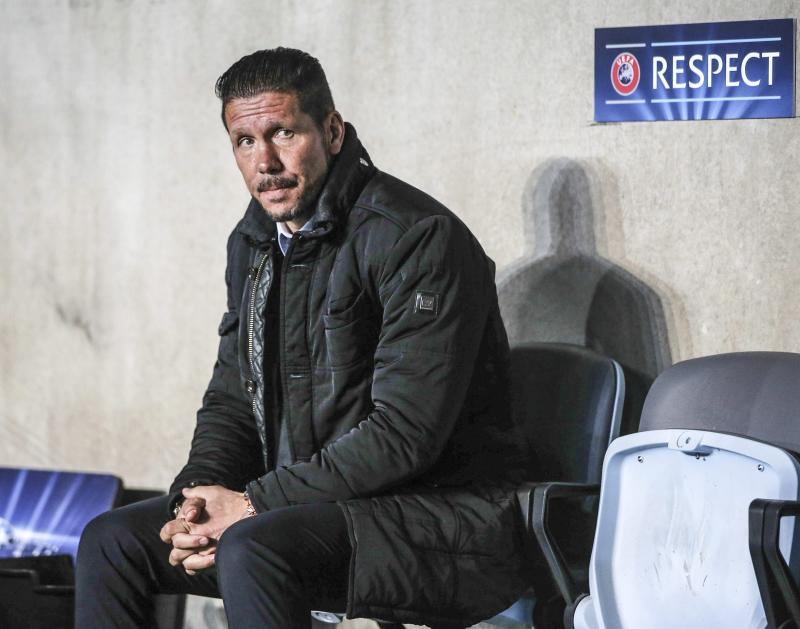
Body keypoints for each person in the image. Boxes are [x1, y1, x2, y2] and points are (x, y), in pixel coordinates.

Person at [76, 47, 532, 629]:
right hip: (308, 509)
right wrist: (198, 499)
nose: (264, 161)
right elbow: (233, 397)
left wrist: (252, 504)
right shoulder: (254, 242)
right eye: (245, 141)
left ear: (332, 132)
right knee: (112, 540)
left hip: (444, 522)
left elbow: (405, 435)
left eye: (283, 133)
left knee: (254, 547)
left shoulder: (417, 238)